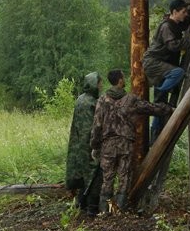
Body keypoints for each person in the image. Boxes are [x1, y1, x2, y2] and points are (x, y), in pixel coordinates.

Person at [90, 69, 173, 214]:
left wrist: (95, 146)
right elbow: (151, 108)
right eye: (123, 77)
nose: (125, 79)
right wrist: (169, 109)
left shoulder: (102, 100)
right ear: (120, 81)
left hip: (107, 146)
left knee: (107, 179)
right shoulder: (131, 99)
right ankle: (119, 211)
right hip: (125, 145)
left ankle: (106, 211)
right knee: (124, 178)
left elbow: (97, 126)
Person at [142, 0, 190, 138]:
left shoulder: (175, 23)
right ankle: (161, 89)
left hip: (161, 63)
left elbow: (185, 23)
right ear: (174, 12)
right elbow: (173, 46)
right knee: (179, 72)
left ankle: (155, 137)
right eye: (183, 12)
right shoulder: (166, 27)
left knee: (160, 105)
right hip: (153, 62)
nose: (185, 15)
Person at [64, 71, 102, 216]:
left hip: (78, 144)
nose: (101, 86)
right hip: (87, 144)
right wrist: (95, 145)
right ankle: (92, 208)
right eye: (99, 83)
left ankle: (81, 204)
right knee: (93, 173)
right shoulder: (89, 103)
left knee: (83, 173)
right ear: (94, 84)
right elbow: (88, 129)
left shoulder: (81, 99)